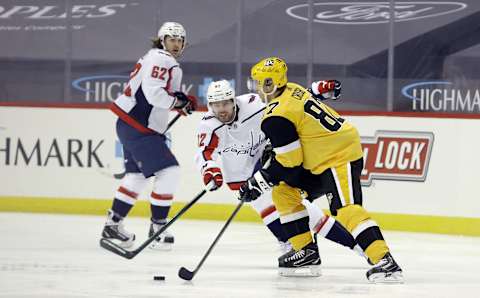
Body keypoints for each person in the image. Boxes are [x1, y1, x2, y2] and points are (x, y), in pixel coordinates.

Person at [239, 57, 403, 283]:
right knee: (284, 192)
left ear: (271, 84)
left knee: (345, 209)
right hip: (319, 158)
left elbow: (290, 161)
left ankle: (385, 261)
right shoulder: (291, 90)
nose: (256, 88)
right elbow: (304, 106)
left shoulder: (275, 117)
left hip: (338, 155)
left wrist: (260, 179)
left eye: (260, 83)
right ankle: (306, 252)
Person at [195, 79, 365, 266]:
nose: (222, 109)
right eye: (216, 105)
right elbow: (204, 154)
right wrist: (209, 171)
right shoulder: (208, 125)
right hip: (240, 177)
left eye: (225, 103)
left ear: (233, 100)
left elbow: (287, 102)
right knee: (271, 211)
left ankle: (333, 249)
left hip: (266, 163)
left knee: (306, 212)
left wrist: (317, 90)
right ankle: (296, 247)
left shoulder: (252, 104)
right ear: (210, 105)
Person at [101, 21, 197, 250]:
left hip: (130, 124)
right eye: (171, 39)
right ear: (162, 40)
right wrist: (177, 101)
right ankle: (158, 227)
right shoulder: (163, 59)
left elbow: (154, 92)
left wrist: (179, 101)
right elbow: (154, 94)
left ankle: (112, 225)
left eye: (179, 40)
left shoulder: (152, 57)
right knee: (170, 171)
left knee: (136, 176)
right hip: (139, 126)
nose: (176, 44)